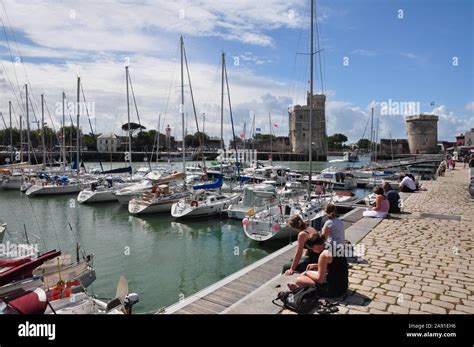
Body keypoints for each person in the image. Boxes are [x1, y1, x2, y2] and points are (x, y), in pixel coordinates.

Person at [287, 233, 348, 298]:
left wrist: (306, 273)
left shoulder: (324, 255)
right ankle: (302, 288)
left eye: (311, 249)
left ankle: (300, 289)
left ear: (315, 246)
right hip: (343, 286)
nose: (313, 251)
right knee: (311, 272)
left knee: (299, 279)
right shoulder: (332, 246)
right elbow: (335, 265)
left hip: (332, 291)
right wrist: (316, 265)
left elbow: (320, 280)